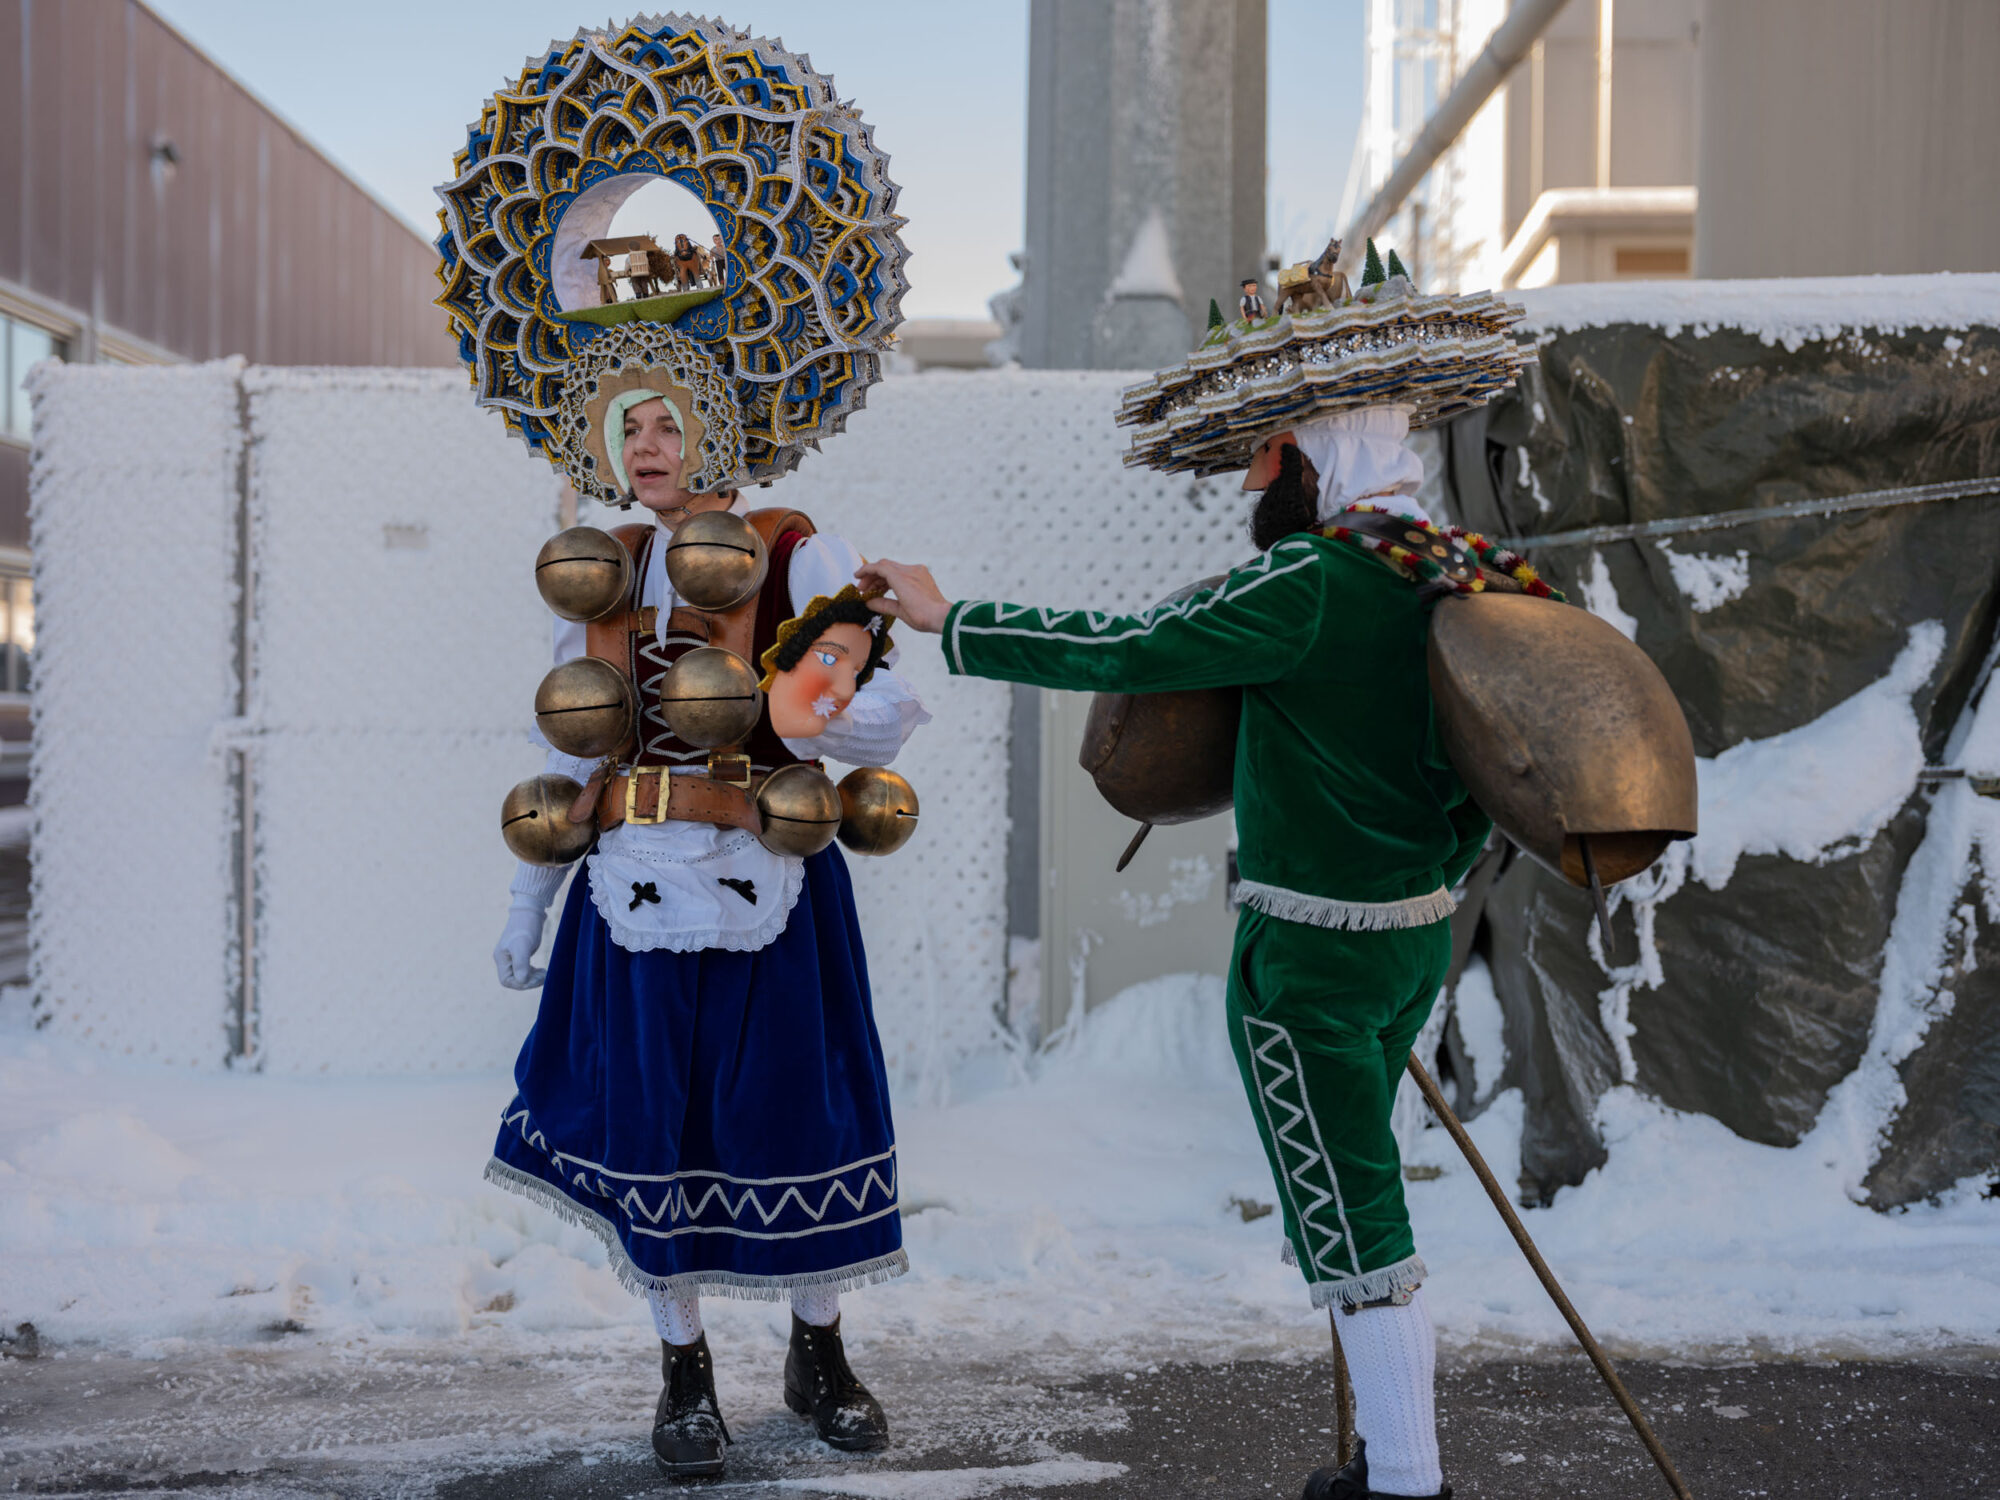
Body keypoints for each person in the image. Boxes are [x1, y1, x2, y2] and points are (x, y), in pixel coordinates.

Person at [858, 404, 1497, 1500]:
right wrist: (1422, 885)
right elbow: (1493, 774)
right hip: (1408, 945)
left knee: (1352, 1223)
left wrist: (946, 616)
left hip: (1306, 963)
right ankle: (1390, 1467)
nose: (1252, 483)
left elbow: (1130, 651)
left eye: (1265, 456)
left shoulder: (1307, 580)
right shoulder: (1458, 579)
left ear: (1311, 457)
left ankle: (1404, 1482)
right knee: (1364, 1199)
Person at [491, 388, 929, 1479]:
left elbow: (880, 704)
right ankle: (682, 1372)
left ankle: (816, 1355)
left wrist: (811, 698)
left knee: (798, 1114)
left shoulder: (795, 546)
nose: (644, 449)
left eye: (670, 426)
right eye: (629, 428)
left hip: (770, 876)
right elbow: (583, 750)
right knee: (656, 1122)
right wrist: (524, 900)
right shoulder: (605, 563)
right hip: (630, 888)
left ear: (725, 434)